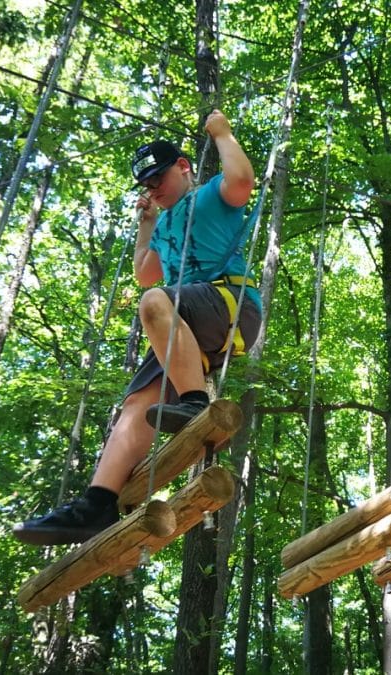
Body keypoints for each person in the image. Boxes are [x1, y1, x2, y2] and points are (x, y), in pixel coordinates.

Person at [14, 109, 262, 545]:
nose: (153, 189)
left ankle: (194, 401)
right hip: (187, 321)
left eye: (158, 178)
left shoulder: (210, 196)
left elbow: (242, 180)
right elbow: (146, 271)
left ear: (183, 167)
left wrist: (222, 133)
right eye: (146, 185)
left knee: (155, 302)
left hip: (230, 303)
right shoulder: (163, 222)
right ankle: (97, 503)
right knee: (136, 404)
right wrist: (146, 225)